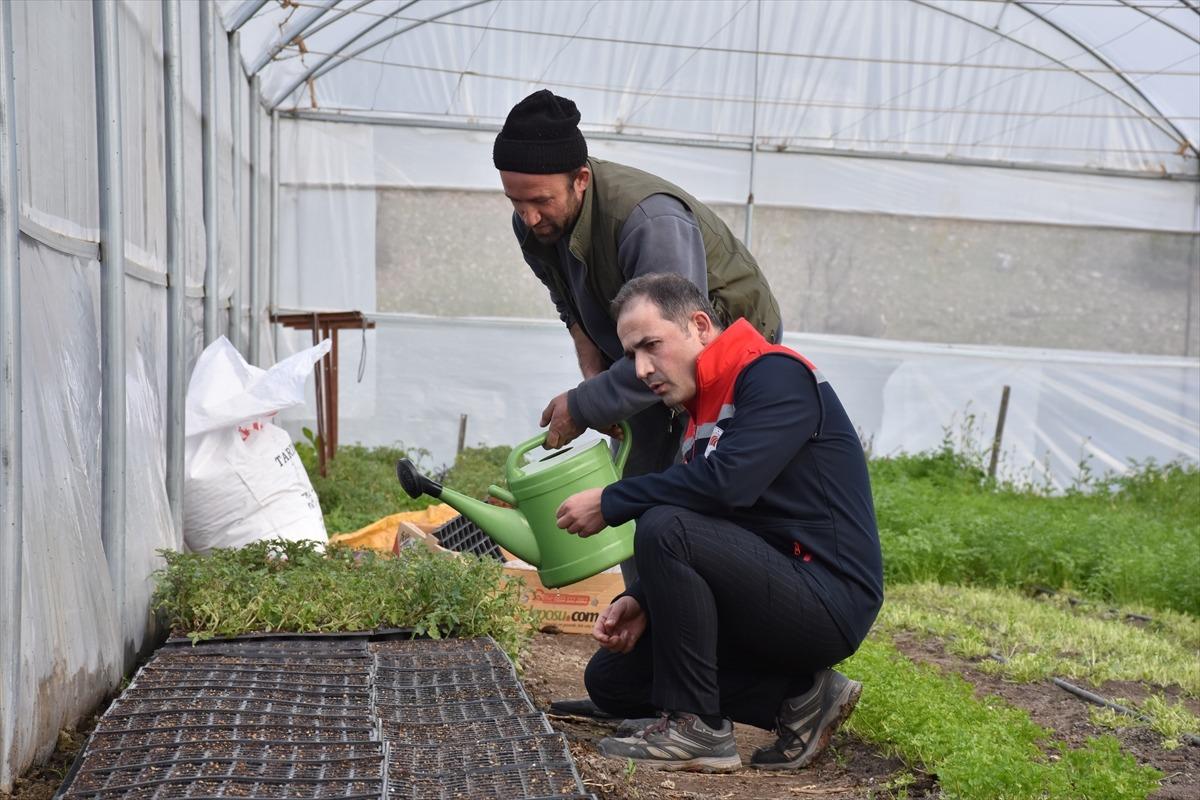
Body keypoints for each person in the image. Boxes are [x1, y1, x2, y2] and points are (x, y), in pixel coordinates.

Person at [553, 273, 884, 773]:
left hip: (827, 597)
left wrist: (612, 499)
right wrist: (643, 599)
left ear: (700, 326)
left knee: (664, 524)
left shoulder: (773, 375)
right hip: (769, 584)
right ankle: (799, 697)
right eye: (630, 356)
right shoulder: (702, 410)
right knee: (614, 679)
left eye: (651, 346)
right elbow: (720, 517)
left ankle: (698, 728)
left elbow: (727, 487)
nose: (642, 369)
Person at [492, 88, 782, 502]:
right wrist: (596, 383)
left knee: (695, 484)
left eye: (541, 201)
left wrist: (584, 405)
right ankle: (645, 563)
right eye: (515, 202)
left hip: (719, 348)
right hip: (647, 350)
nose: (529, 217)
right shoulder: (533, 225)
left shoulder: (648, 220)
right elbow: (569, 306)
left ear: (581, 180)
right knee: (634, 478)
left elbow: (678, 343)